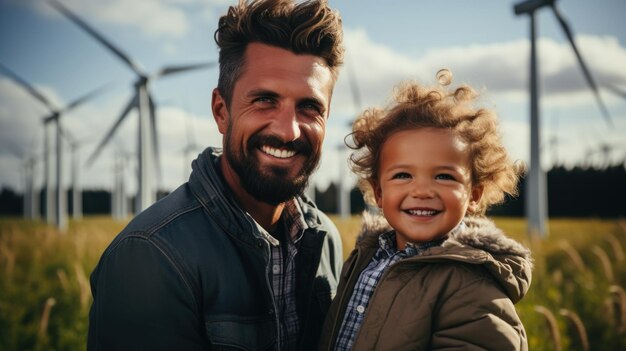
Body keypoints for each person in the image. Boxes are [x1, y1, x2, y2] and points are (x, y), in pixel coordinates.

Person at [87, 1, 344, 350]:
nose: (289, 132)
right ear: (221, 111)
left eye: (310, 107)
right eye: (265, 100)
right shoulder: (152, 256)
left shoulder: (325, 239)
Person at [319, 74, 533, 350]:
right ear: (379, 193)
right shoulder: (366, 256)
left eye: (444, 177)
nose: (422, 190)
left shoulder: (471, 283)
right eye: (403, 175)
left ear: (474, 195)